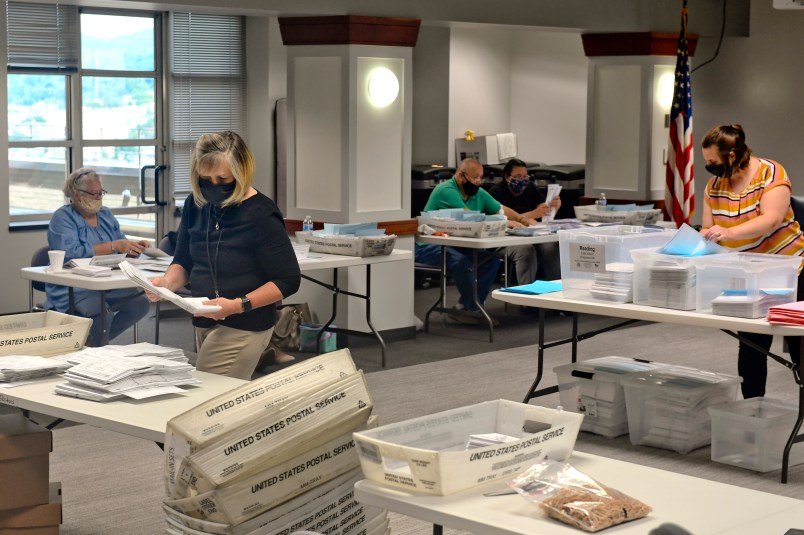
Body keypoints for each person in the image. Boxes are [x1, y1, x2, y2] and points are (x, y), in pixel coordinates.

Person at [148, 131, 301, 380]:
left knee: (209, 395)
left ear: (241, 173)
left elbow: (288, 280)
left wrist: (239, 305)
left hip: (245, 322)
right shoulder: (196, 204)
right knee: (220, 394)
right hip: (204, 318)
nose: (214, 186)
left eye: (223, 179)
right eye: (206, 179)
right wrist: (166, 283)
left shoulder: (260, 213)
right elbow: (184, 261)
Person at [701, 124, 804, 398]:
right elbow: (707, 226)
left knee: (798, 343)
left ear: (732, 156)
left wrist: (729, 232)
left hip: (791, 269)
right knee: (751, 345)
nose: (709, 167)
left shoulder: (771, 172)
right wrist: (705, 236)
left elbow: (770, 219)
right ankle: (752, 408)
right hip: (749, 275)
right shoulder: (714, 186)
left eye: (712, 161)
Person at [415, 158, 535, 325]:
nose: (479, 181)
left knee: (491, 261)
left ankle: (466, 307)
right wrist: (504, 222)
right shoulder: (446, 190)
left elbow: (500, 209)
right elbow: (468, 217)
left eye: (481, 177)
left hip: (455, 244)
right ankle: (471, 309)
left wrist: (522, 219)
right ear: (460, 176)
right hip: (429, 245)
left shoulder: (477, 192)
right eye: (475, 177)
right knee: (461, 262)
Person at [45, 168, 151, 346]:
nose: (98, 198)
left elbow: (120, 243)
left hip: (106, 283)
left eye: (100, 193)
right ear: (76, 194)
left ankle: (92, 343)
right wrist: (112, 246)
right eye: (92, 193)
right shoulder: (63, 218)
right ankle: (97, 346)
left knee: (140, 304)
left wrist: (133, 247)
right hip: (76, 287)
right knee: (101, 313)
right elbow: (69, 254)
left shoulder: (106, 215)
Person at [489, 158, 563, 283]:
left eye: (525, 177)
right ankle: (527, 291)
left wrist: (553, 206)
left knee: (552, 247)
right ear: (507, 177)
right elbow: (505, 220)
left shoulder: (530, 187)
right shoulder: (496, 192)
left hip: (532, 235)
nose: (522, 180)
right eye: (518, 177)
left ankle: (555, 288)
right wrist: (533, 214)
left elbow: (542, 208)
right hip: (506, 239)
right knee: (526, 250)